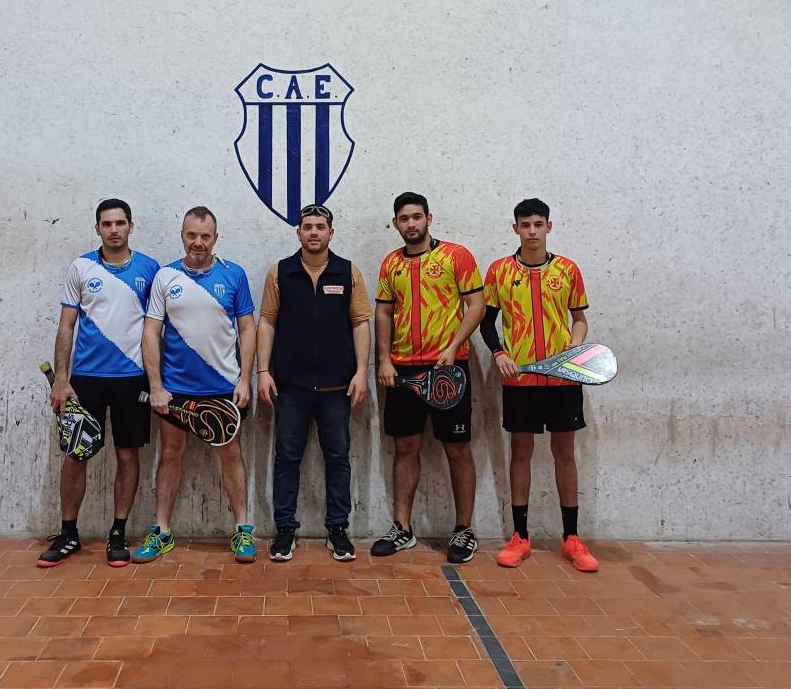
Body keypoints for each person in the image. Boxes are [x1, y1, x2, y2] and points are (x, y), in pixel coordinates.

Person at [37, 199, 160, 569]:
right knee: (76, 455)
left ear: (131, 226)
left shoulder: (150, 269)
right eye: (107, 224)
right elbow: (66, 326)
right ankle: (68, 534)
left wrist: (158, 380)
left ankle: (118, 533)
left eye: (120, 223)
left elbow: (156, 329)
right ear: (97, 229)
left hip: (133, 379)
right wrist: (62, 378)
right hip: (86, 379)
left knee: (127, 455)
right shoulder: (81, 267)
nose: (114, 230)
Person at [132, 206, 258, 563]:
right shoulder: (165, 276)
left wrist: (245, 379)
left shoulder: (234, 274)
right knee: (170, 454)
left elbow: (248, 328)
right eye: (192, 235)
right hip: (175, 390)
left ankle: (243, 530)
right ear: (182, 235)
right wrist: (156, 385)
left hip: (223, 387)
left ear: (215, 238)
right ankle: (162, 530)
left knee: (231, 454)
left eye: (205, 236)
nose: (198, 242)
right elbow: (151, 332)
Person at [479, 198, 599, 572]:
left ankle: (571, 538)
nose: (532, 230)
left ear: (549, 226)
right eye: (525, 224)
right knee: (521, 452)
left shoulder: (568, 270)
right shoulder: (499, 271)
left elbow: (579, 319)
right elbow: (486, 323)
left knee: (565, 453)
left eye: (538, 224)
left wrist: (574, 348)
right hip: (520, 380)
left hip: (563, 379)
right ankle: (520, 537)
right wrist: (500, 353)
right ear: (515, 228)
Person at [372, 192, 486, 564]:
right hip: (403, 371)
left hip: (449, 369)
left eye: (417, 217)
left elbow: (477, 306)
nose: (411, 224)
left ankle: (464, 530)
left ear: (429, 218)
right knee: (405, 447)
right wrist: (384, 360)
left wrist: (454, 346)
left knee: (457, 448)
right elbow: (383, 313)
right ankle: (402, 529)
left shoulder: (457, 256)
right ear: (396, 223)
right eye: (404, 218)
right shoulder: (391, 263)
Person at [256, 204, 372, 562]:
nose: (314, 233)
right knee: (287, 459)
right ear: (298, 232)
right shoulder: (280, 272)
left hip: (338, 387)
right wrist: (263, 371)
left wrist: (362, 372)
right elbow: (267, 322)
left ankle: (337, 529)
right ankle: (285, 530)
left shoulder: (348, 272)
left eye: (320, 227)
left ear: (331, 232)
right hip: (290, 386)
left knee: (338, 458)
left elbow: (360, 323)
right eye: (307, 227)